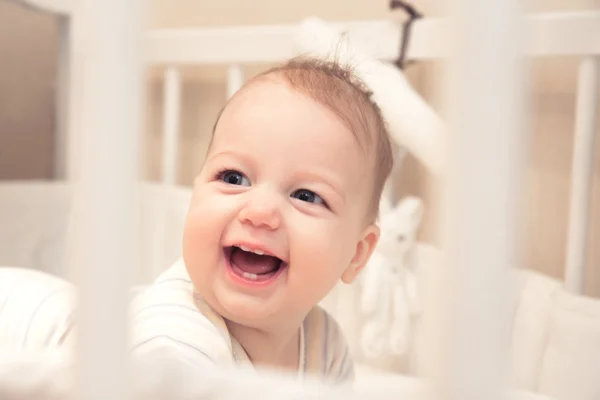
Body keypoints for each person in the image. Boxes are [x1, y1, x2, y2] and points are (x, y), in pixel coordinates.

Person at [130, 56, 394, 384]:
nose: (260, 213)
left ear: (356, 254)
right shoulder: (170, 342)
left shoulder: (327, 349)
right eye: (234, 177)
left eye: (306, 196)